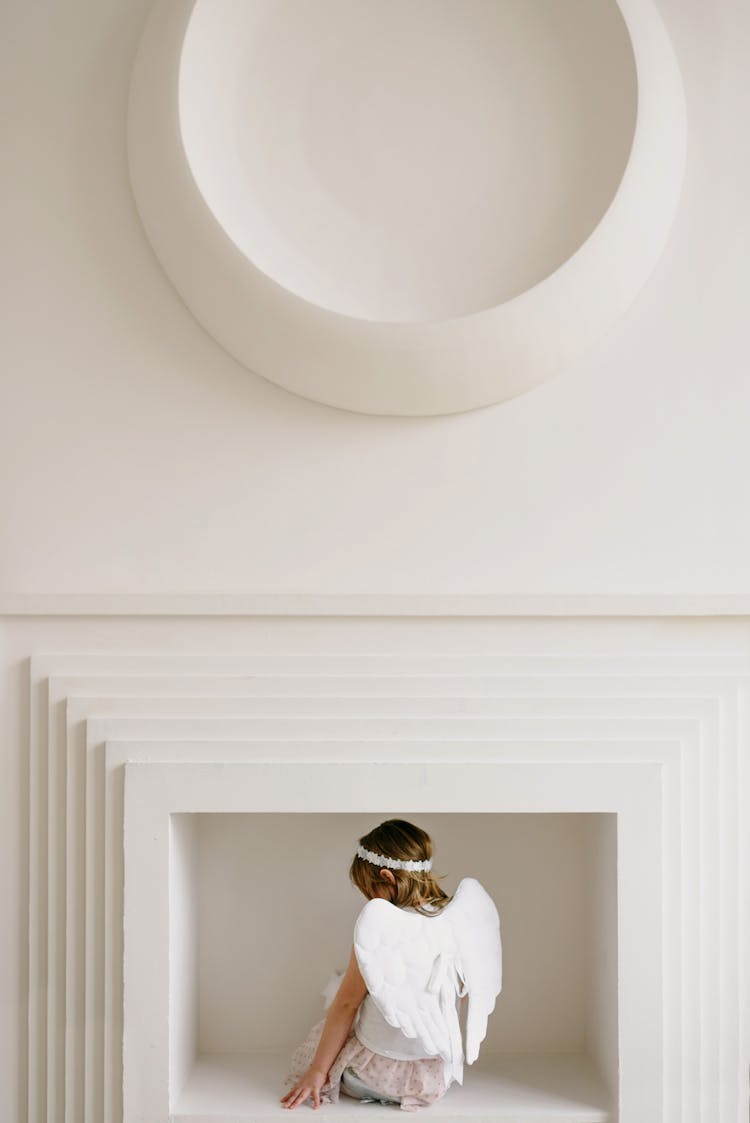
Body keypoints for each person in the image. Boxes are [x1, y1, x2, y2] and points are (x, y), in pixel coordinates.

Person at [280, 819, 501, 1112]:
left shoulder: (381, 931)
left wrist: (318, 1072)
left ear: (387, 878)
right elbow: (460, 992)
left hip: (368, 1076)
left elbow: (347, 1005)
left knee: (339, 998)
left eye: (370, 890)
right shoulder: (457, 922)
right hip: (432, 1082)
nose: (370, 900)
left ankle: (348, 1078)